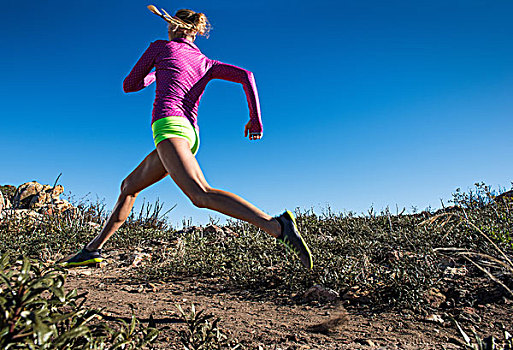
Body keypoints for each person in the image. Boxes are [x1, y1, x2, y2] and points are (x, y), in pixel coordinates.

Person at [63, 6, 313, 269]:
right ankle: (92, 250)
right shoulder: (207, 63)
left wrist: (154, 73)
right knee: (129, 187)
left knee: (199, 194)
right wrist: (255, 118)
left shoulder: (160, 47)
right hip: (189, 134)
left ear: (175, 27)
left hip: (169, 127)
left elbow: (130, 85)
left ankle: (277, 226)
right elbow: (246, 76)